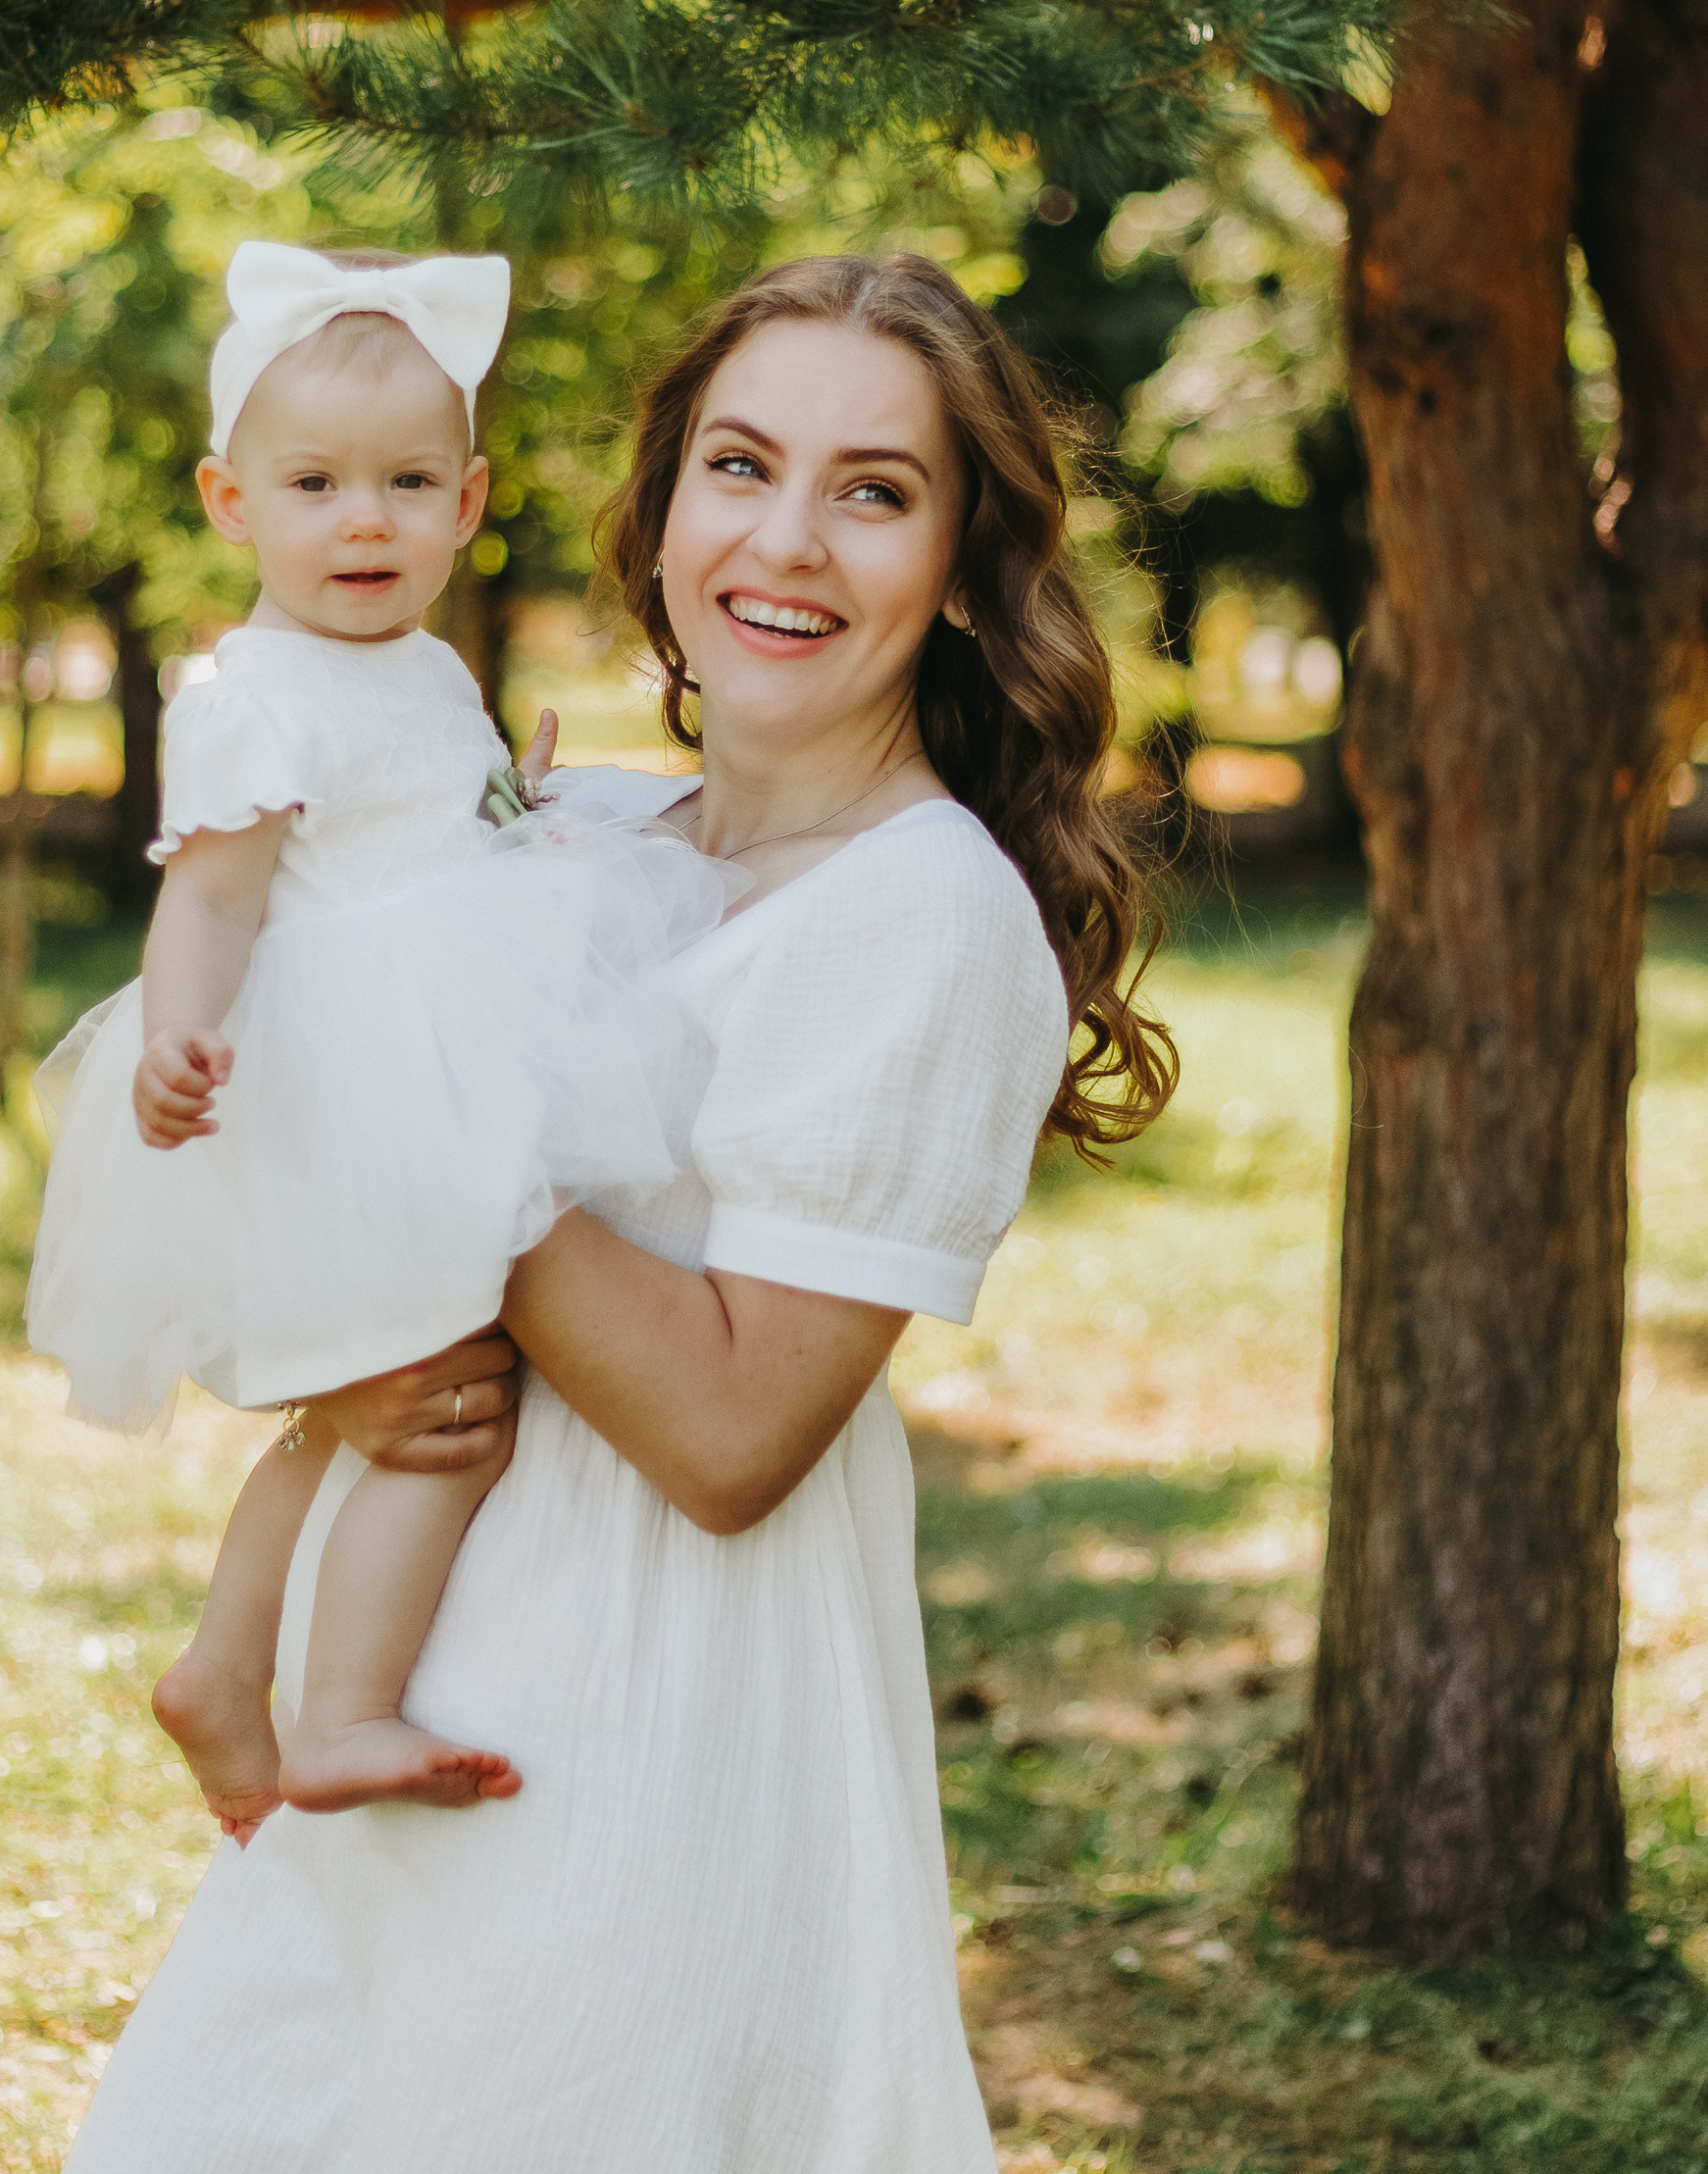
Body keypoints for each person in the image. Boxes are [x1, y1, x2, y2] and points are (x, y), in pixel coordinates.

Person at [65, 250, 1177, 2174]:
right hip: (406, 1677)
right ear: (660, 517)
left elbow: (734, 1436)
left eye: (876, 490)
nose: (791, 540)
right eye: (739, 466)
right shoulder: (571, 833)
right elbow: (301, 1219)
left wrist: (421, 1100)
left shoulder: (921, 919)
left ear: (960, 560)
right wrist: (341, 1370)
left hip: (648, 1736)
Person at [26, 239, 726, 1841]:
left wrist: (511, 805)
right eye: (317, 484)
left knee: (387, 1395)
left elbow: (435, 830)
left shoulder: (423, 669)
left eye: (409, 484)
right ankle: (329, 1712)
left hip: (443, 1075)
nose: (365, 520)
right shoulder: (251, 694)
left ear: (468, 507)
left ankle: (221, 1670)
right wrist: (180, 1038)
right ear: (230, 504)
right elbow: (211, 900)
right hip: (346, 1099)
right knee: (445, 1411)